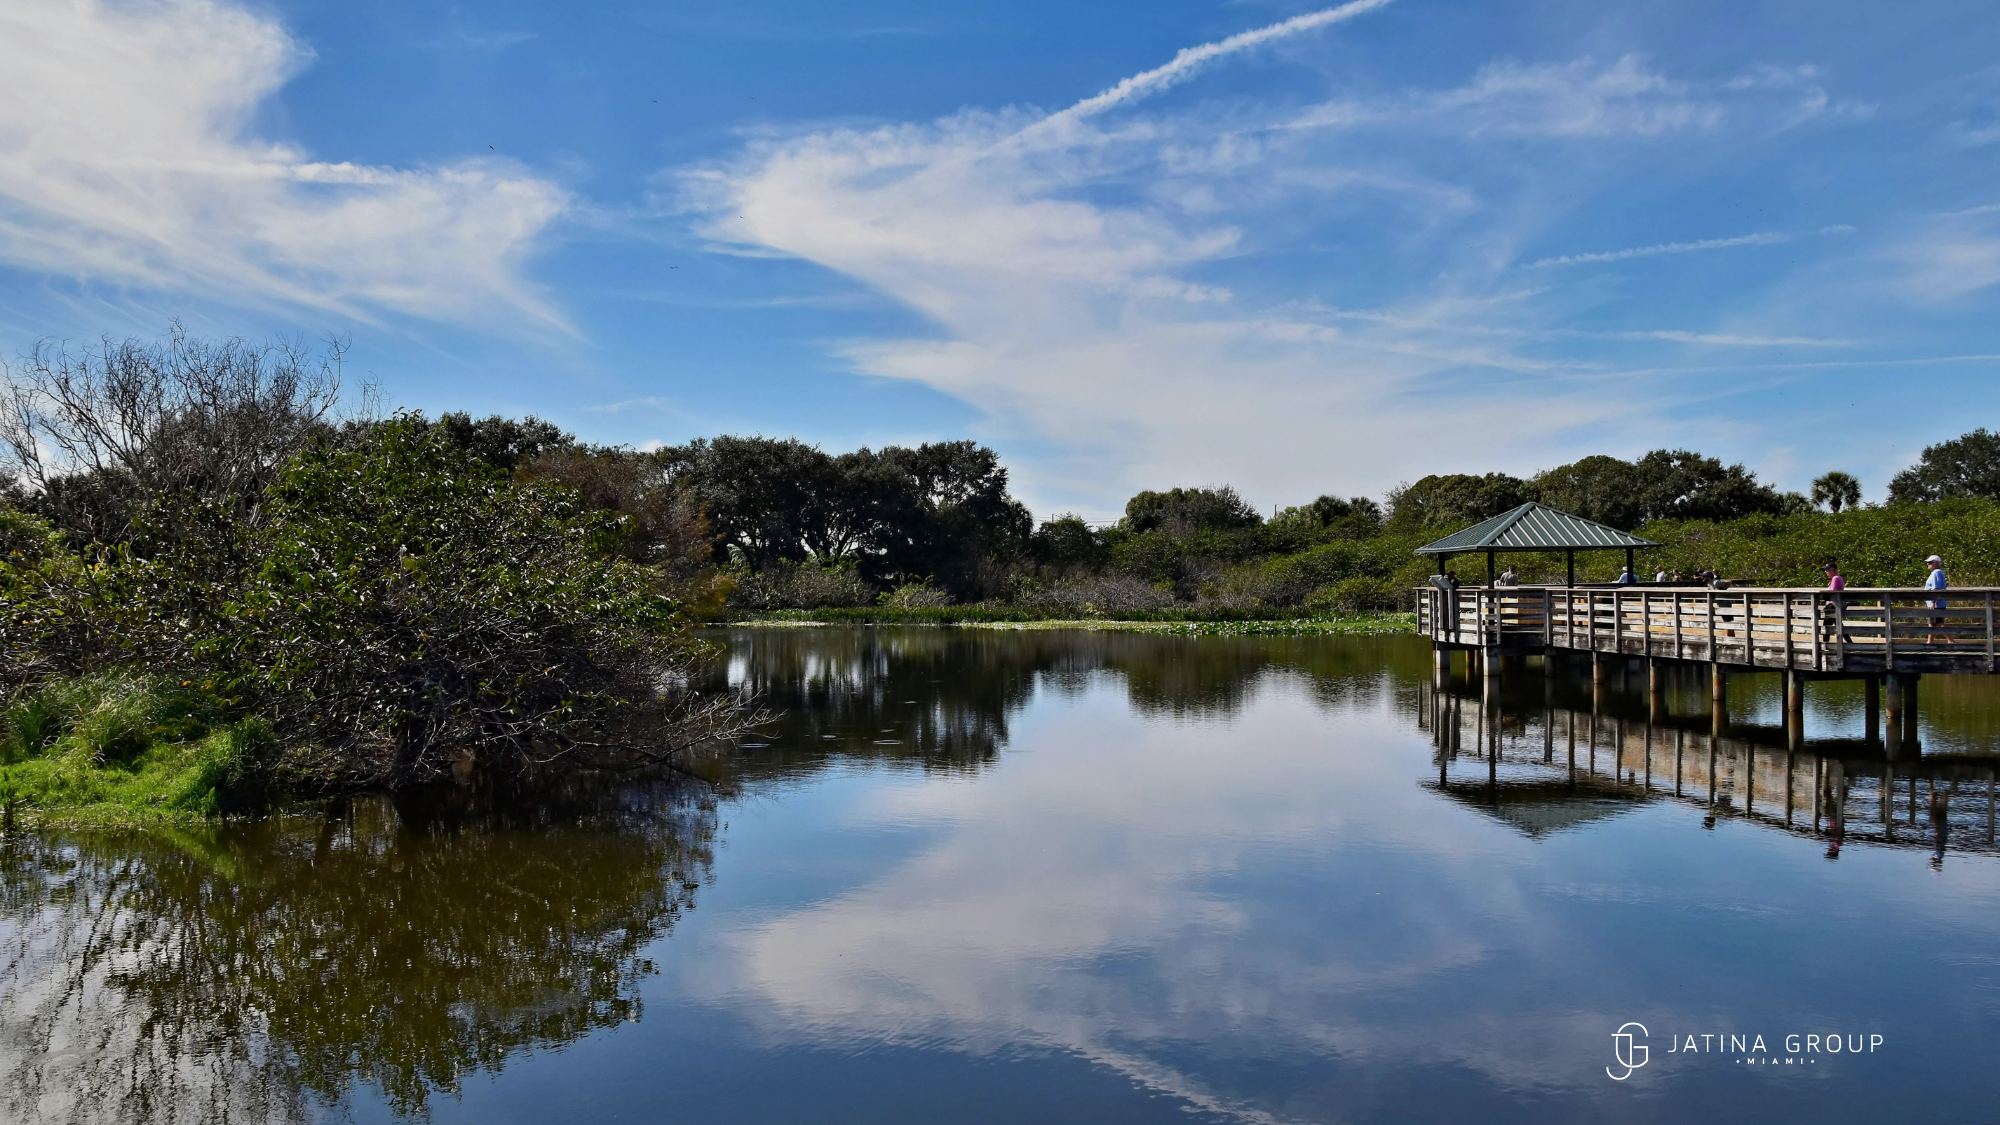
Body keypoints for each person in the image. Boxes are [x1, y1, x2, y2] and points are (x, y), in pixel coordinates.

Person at [1924, 554, 1948, 644]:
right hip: (1936, 602)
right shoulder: (1937, 572)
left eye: (1930, 563)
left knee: (1938, 623)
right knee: (1933, 623)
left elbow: (1936, 589)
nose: (1928, 564)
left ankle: (1951, 641)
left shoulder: (1936, 573)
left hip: (1935, 603)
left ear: (1936, 563)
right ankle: (1929, 642)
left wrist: (1933, 602)